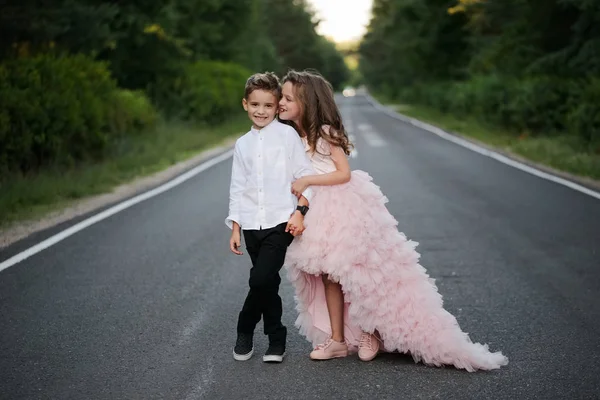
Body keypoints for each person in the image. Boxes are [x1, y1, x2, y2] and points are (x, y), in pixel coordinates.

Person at [279, 70, 508, 371]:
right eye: (281, 97)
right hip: (313, 208)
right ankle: (337, 339)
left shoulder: (324, 132)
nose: (280, 102)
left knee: (354, 275)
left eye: (287, 98)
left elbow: (343, 172)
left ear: (306, 102)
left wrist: (308, 179)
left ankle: (369, 330)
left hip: (341, 205)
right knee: (326, 275)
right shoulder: (292, 136)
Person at [226, 72, 314, 363]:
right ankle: (276, 340)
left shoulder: (287, 136)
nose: (260, 111)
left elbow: (304, 176)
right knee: (267, 283)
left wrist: (300, 211)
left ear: (277, 107)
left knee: (260, 279)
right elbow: (237, 186)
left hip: (280, 221)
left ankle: (247, 328)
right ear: (245, 104)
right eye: (255, 105)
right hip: (251, 224)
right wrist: (236, 227)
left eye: (267, 105)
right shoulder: (242, 144)